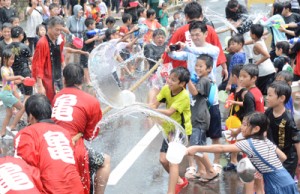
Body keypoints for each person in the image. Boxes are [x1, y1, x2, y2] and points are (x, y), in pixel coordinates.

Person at [187, 112, 299, 194]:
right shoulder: (266, 141)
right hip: (286, 179)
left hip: (276, 184)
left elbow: (221, 148)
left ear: (256, 129)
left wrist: (197, 148)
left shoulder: (248, 143)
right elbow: (283, 157)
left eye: (245, 125)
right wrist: (267, 168)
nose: (242, 127)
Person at [52, 64, 110, 194]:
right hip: (74, 149)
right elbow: (91, 135)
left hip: (52, 146)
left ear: (64, 80)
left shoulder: (57, 97)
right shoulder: (91, 101)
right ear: (83, 79)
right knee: (105, 161)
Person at [14, 94, 85, 193]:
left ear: (30, 116)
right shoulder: (63, 132)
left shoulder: (26, 134)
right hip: (77, 189)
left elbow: (24, 171)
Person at [162, 1, 228, 81]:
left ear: (186, 16)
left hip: (201, 78)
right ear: (201, 16)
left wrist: (165, 71)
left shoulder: (180, 31)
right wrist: (224, 67)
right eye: (192, 35)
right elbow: (175, 54)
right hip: (191, 76)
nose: (195, 38)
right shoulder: (209, 29)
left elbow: (213, 50)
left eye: (197, 35)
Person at [150, 67, 191, 194]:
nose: (169, 81)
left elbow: (169, 112)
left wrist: (154, 111)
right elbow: (155, 104)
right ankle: (179, 180)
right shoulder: (166, 89)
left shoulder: (184, 95)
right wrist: (149, 108)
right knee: (163, 160)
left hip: (180, 132)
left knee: (173, 161)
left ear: (182, 84)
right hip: (169, 130)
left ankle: (171, 191)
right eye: (169, 78)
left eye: (173, 80)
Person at [186, 54, 221, 181]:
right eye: (196, 65)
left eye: (201, 66)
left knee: (197, 146)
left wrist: (186, 80)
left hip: (200, 118)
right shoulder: (201, 80)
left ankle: (211, 170)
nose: (197, 68)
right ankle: (201, 171)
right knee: (195, 146)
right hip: (196, 117)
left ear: (209, 69)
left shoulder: (205, 80)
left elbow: (194, 92)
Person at [265, 81, 300, 178]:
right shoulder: (268, 112)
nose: (267, 98)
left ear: (282, 98)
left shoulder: (288, 119)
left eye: (270, 95)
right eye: (267, 95)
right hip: (273, 155)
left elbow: (297, 141)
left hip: (288, 159)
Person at [32, 16, 65, 103]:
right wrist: (40, 85)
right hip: (46, 77)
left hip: (58, 74)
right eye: (56, 30)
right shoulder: (42, 43)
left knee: (60, 100)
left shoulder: (60, 39)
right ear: (49, 28)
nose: (59, 32)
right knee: (48, 102)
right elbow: (38, 64)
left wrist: (64, 67)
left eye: (60, 30)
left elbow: (60, 53)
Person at [0, 49, 25, 138]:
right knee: (22, 108)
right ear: (4, 59)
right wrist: (18, 76)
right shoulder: (3, 69)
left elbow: (12, 82)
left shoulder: (10, 69)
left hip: (7, 93)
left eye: (13, 59)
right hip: (6, 94)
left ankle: (2, 133)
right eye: (10, 59)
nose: (12, 61)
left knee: (9, 114)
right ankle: (12, 126)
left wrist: (23, 80)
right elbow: (7, 78)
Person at [5, 26, 33, 101]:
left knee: (13, 90)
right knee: (28, 94)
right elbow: (31, 59)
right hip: (24, 71)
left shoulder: (7, 47)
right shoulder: (24, 47)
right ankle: (23, 109)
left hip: (12, 72)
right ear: (21, 36)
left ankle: (16, 108)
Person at [250, 24, 276, 95]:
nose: (249, 33)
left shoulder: (257, 45)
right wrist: (241, 42)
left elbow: (267, 55)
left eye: (250, 32)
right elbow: (250, 41)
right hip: (270, 70)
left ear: (254, 35)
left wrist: (256, 64)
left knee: (263, 93)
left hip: (264, 72)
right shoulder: (260, 39)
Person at [81, 18, 104, 86]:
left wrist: (105, 35)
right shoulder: (85, 32)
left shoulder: (93, 32)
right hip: (85, 51)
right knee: (86, 67)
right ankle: (88, 81)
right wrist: (94, 38)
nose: (95, 25)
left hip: (91, 51)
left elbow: (96, 39)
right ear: (90, 25)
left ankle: (88, 79)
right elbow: (86, 41)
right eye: (94, 24)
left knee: (90, 65)